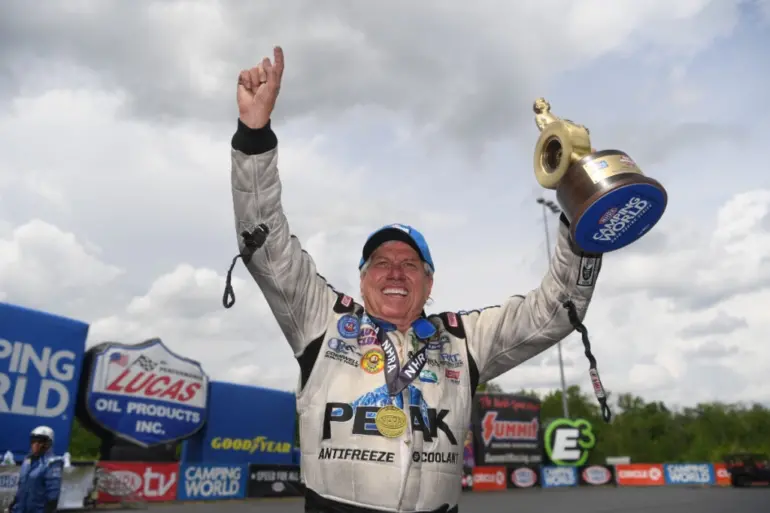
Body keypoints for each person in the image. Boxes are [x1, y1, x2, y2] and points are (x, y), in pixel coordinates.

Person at [226, 46, 606, 513]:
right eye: (381, 262)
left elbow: (558, 309)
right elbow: (265, 243)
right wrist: (254, 135)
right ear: (362, 279)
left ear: (429, 284)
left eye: (410, 265)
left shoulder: (463, 341)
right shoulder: (321, 321)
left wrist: (579, 213)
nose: (394, 272)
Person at [6, 427, 62, 513]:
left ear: (48, 443)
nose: (35, 444)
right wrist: (14, 503)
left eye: (40, 441)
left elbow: (53, 495)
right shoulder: (27, 461)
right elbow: (22, 486)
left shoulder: (51, 464)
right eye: (33, 440)